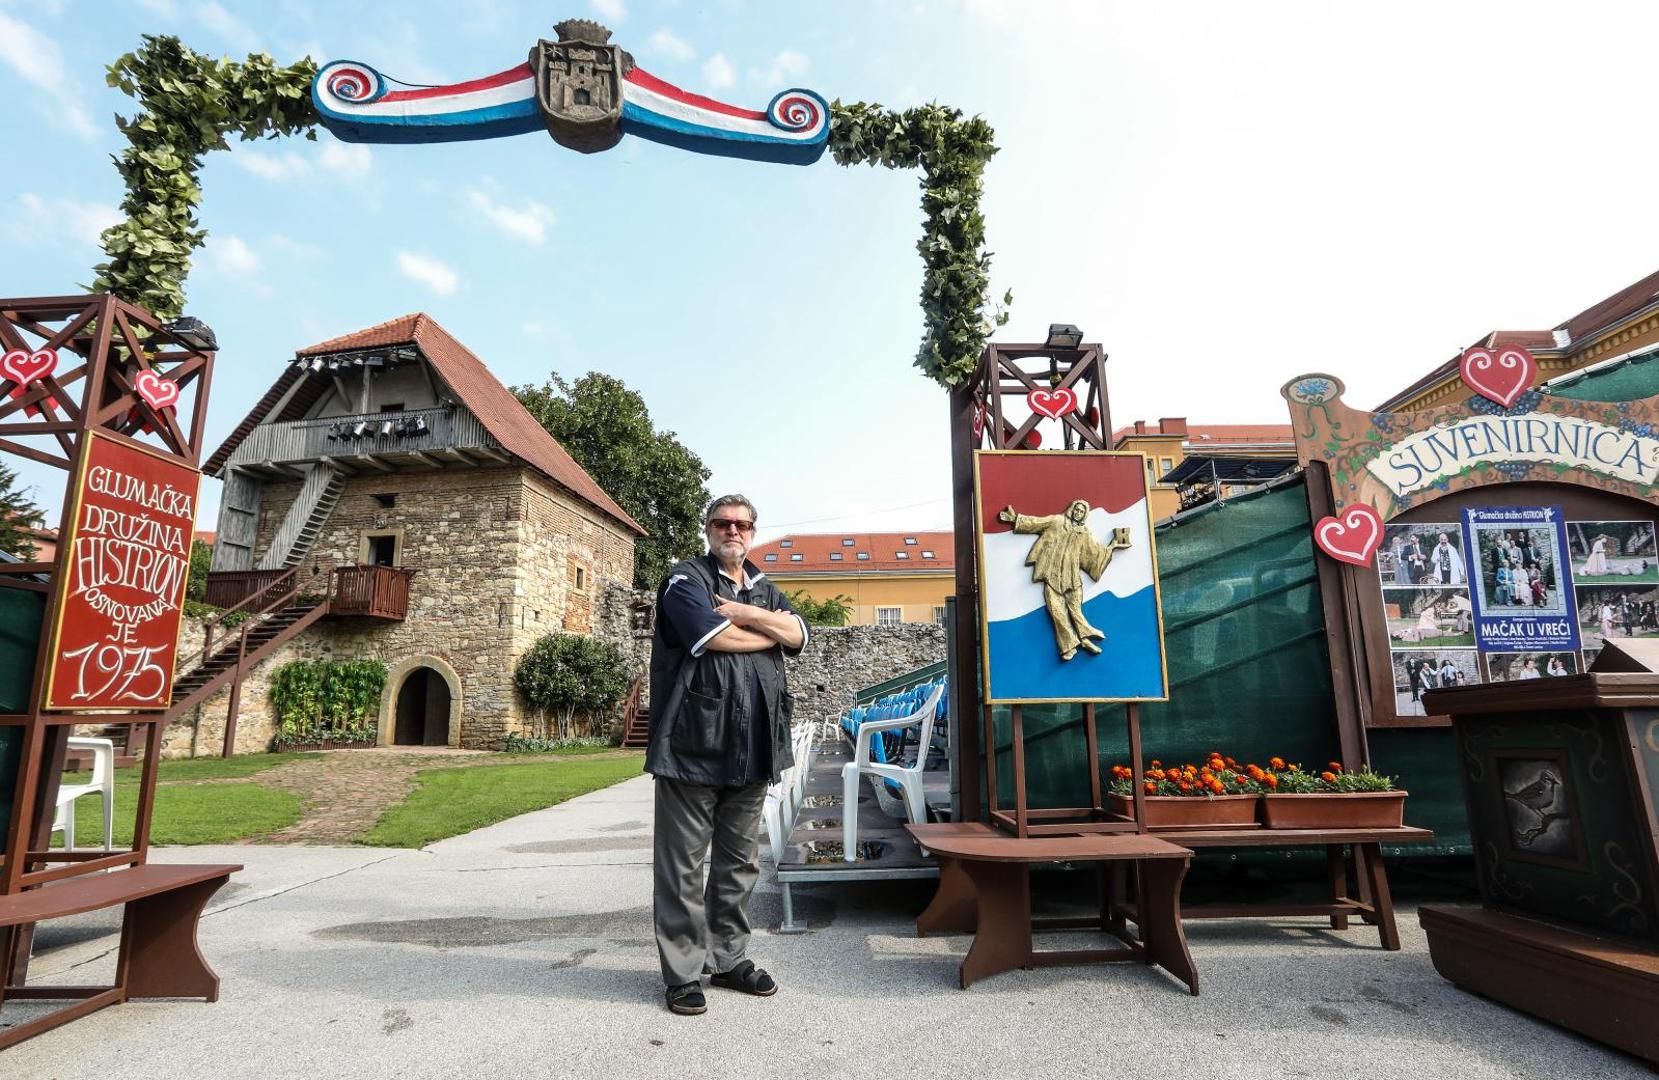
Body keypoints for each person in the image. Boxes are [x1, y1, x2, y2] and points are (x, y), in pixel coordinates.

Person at [645, 495, 809, 1016]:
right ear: (708, 528)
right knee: (682, 868)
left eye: (742, 524)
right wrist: (767, 632)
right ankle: (684, 973)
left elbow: (800, 633)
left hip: (754, 744)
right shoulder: (685, 580)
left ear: (753, 531)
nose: (732, 530)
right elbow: (710, 637)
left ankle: (729, 958)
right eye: (723, 523)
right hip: (692, 743)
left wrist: (745, 612)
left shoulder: (764, 588)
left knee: (739, 864)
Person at [999, 499, 1132, 661]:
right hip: (1051, 575)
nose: (1078, 513)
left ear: (1085, 514)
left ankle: (1084, 638)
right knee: (1057, 613)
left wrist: (1112, 546)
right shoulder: (1057, 521)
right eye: (1076, 509)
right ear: (1071, 509)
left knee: (1076, 611)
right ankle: (1069, 646)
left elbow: (1095, 554)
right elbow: (1036, 523)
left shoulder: (1084, 533)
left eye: (1082, 511)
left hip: (1072, 578)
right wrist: (1015, 519)